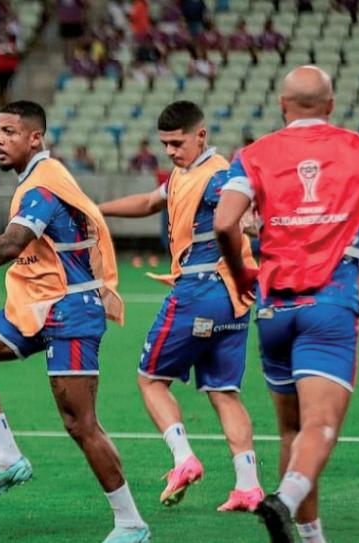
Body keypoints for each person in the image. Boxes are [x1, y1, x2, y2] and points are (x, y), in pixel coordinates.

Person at [0, 101, 150, 543]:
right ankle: (7, 457)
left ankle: (131, 522)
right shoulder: (38, 179)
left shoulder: (42, 186)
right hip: (38, 303)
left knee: (80, 424)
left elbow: (10, 245)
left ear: (35, 138)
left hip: (70, 311)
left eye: (10, 132)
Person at [213, 65, 359, 543]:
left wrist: (241, 273)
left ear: (282, 105)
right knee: (320, 426)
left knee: (292, 432)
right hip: (329, 304)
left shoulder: (252, 155)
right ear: (330, 105)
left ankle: (310, 537)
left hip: (273, 307)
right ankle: (283, 501)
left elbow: (224, 224)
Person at [99, 101, 264, 513]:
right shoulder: (184, 174)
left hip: (199, 292)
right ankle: (248, 486)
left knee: (150, 380)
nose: (171, 151)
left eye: (178, 143)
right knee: (224, 392)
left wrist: (250, 220)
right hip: (233, 300)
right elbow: (149, 202)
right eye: (166, 144)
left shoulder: (218, 175)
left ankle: (183, 458)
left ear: (201, 136)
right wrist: (96, 211)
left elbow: (242, 213)